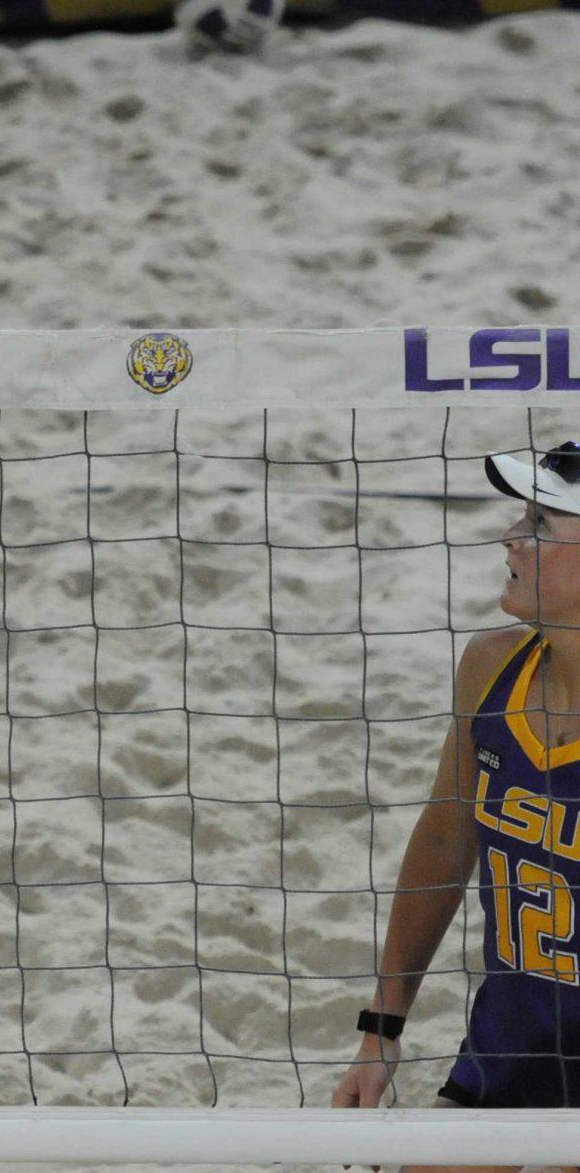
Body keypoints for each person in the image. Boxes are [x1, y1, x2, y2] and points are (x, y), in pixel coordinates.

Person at [331, 439, 580, 1172]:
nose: (511, 536)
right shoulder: (492, 666)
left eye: (541, 523)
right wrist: (382, 1029)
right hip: (508, 1060)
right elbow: (443, 842)